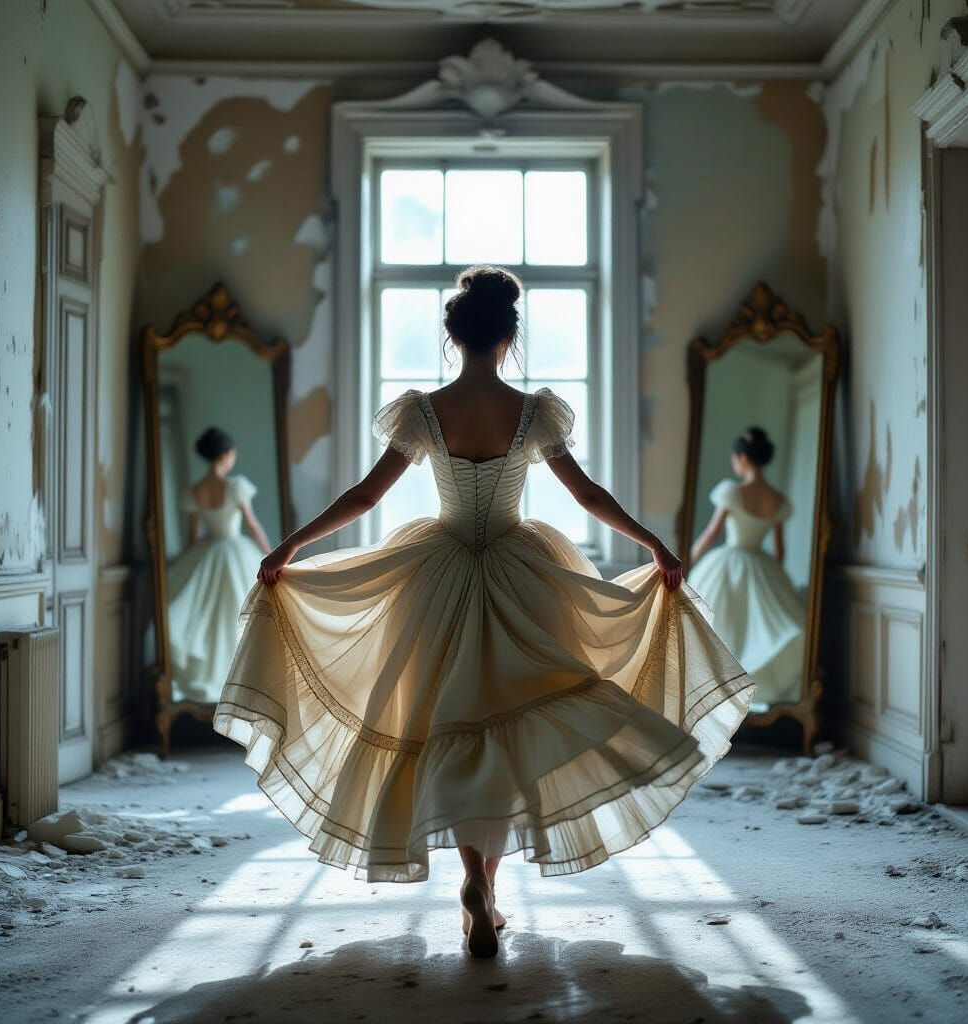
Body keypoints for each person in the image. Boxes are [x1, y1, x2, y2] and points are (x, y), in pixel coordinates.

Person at [213, 266, 754, 958]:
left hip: (433, 574)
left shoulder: (424, 412)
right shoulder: (532, 412)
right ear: (508, 335)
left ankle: (474, 886)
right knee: (504, 731)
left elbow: (364, 498)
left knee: (447, 722)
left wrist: (289, 546)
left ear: (453, 335)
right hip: (519, 570)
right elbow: (587, 496)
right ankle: (487, 897)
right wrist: (655, 546)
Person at [688, 427, 806, 707]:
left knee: (726, 627)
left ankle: (721, 692)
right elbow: (780, 549)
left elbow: (712, 533)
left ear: (742, 458)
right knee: (753, 630)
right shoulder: (778, 499)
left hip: (729, 562)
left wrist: (687, 558)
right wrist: (775, 581)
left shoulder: (732, 492)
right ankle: (746, 690)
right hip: (762, 565)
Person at [167, 427, 270, 704]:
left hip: (207, 553)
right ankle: (236, 678)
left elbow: (193, 535)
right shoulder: (235, 486)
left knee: (208, 616)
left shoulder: (195, 490)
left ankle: (217, 675)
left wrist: (181, 562)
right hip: (234, 550)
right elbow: (251, 524)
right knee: (232, 613)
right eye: (233, 453)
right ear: (226, 455)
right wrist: (272, 552)